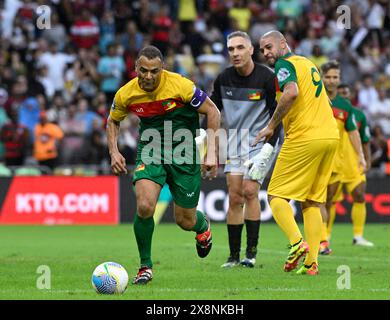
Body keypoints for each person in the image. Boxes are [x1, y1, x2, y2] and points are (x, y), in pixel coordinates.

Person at [106, 45, 220, 285]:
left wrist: (211, 153)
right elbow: (113, 120)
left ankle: (202, 226)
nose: (148, 76)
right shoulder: (126, 93)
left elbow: (212, 111)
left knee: (184, 221)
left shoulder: (181, 86)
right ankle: (145, 267)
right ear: (135, 68)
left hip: (184, 154)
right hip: (151, 150)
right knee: (145, 206)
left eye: (154, 71)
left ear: (162, 69)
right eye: (143, 70)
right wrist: (114, 151)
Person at [253, 31, 339, 275]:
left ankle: (295, 242)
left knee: (275, 195)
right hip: (330, 137)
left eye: (269, 46)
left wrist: (270, 126)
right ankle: (312, 263)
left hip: (305, 137)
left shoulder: (285, 64)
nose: (266, 52)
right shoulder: (308, 63)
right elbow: (325, 101)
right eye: (263, 49)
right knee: (311, 201)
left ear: (283, 44)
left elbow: (291, 93)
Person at [210, 31, 281, 268]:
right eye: (231, 49)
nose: (235, 53)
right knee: (234, 196)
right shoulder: (223, 79)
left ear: (251, 50)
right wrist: (208, 150)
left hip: (260, 143)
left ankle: (250, 254)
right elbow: (211, 113)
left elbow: (277, 118)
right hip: (235, 144)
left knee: (250, 191)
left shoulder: (267, 78)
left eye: (240, 48)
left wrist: (268, 149)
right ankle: (233, 256)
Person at [319, 61, 367, 255]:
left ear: (339, 79)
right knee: (316, 201)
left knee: (328, 201)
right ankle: (319, 239)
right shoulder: (314, 98)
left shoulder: (344, 105)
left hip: (336, 163)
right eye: (328, 77)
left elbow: (353, 132)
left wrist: (361, 156)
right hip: (315, 159)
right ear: (321, 77)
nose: (331, 81)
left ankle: (322, 239)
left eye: (335, 77)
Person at [325, 83, 374, 247]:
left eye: (346, 91)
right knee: (329, 200)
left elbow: (365, 140)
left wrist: (367, 159)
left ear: (351, 94)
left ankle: (358, 236)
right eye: (341, 92)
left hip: (353, 162)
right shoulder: (329, 109)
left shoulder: (360, 115)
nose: (344, 94)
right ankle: (326, 236)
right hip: (335, 161)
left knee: (360, 195)